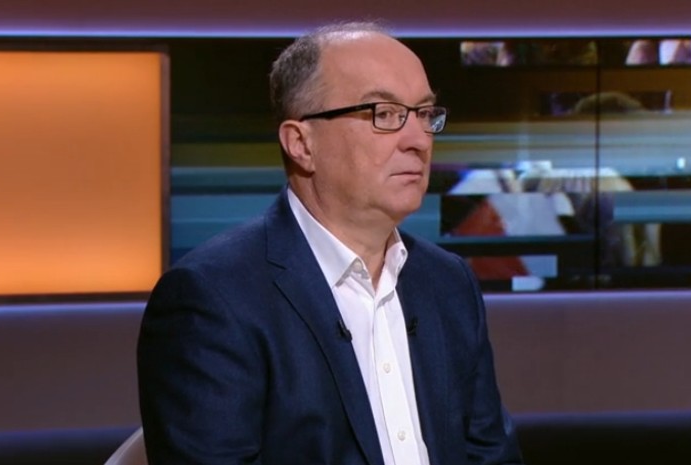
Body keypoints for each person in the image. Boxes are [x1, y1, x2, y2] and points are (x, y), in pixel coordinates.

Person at [137, 21, 524, 465]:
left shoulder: (448, 282)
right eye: (384, 114)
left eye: (423, 113)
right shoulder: (212, 298)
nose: (418, 140)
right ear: (301, 143)